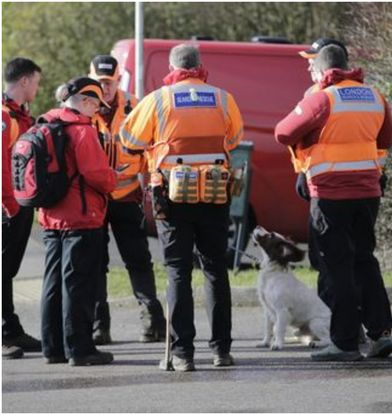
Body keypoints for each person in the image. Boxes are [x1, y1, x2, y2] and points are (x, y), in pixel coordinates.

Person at [119, 44, 244, 372]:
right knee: (215, 268)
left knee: (178, 270)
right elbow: (234, 140)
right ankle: (221, 351)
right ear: (200, 66)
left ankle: (182, 354)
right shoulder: (223, 98)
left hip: (171, 195)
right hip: (214, 192)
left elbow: (128, 140)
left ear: (172, 68)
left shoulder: (158, 99)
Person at [275, 43, 392, 361]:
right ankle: (381, 332)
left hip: (330, 193)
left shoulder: (322, 99)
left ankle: (344, 342)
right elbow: (386, 139)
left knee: (337, 266)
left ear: (322, 71)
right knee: (365, 260)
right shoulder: (374, 96)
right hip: (368, 191)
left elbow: (282, 133)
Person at [87, 55, 166, 345]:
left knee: (138, 260)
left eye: (110, 82)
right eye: (100, 82)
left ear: (119, 80)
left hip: (127, 195)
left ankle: (153, 322)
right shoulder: (82, 106)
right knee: (96, 262)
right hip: (94, 199)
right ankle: (100, 326)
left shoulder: (135, 106)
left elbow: (152, 147)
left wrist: (153, 185)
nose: (105, 88)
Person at [40, 77, 117, 366]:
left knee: (53, 284)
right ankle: (80, 349)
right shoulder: (83, 131)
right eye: (96, 104)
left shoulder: (46, 123)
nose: (97, 110)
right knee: (78, 286)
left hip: (51, 216)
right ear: (84, 101)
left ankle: (53, 348)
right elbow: (96, 174)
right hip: (81, 217)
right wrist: (114, 178)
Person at [2, 57, 42, 359]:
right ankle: (6, 333)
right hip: (9, 206)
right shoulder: (5, 118)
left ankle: (11, 329)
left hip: (20, 204)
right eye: (36, 82)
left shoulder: (21, 116)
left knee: (7, 270)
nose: (37, 89)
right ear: (24, 81)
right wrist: (9, 204)